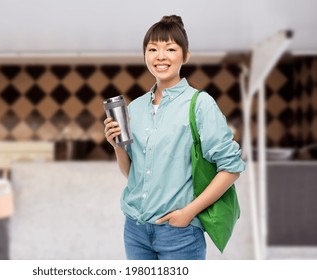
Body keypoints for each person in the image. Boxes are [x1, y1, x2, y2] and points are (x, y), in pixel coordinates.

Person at [103, 15, 245, 260]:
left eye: (170, 49)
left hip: (179, 233)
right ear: (145, 55)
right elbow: (133, 175)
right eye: (152, 49)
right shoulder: (135, 108)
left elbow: (231, 169)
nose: (160, 56)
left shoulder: (200, 104)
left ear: (185, 56)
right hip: (135, 230)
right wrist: (116, 146)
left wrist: (189, 214)